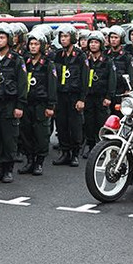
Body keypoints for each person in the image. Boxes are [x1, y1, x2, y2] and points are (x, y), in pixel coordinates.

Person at [0, 23, 27, 183]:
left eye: (2, 38)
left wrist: (20, 105)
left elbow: (22, 84)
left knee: (9, 138)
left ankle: (8, 169)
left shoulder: (17, 60)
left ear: (8, 40)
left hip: (9, 103)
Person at [19, 31, 56, 176]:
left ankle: (39, 162)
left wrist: (50, 105)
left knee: (41, 134)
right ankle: (29, 160)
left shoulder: (48, 64)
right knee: (26, 133)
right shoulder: (25, 62)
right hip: (27, 103)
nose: (33, 47)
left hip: (41, 104)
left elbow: (52, 85)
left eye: (36, 44)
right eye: (31, 44)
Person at [52, 24, 88, 166]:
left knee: (75, 125)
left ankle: (75, 154)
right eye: (61, 36)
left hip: (74, 96)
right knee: (61, 125)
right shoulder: (58, 55)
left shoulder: (80, 56)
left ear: (72, 38)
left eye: (66, 36)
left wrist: (82, 99)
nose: (63, 39)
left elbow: (84, 79)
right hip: (60, 96)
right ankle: (65, 152)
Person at [83, 31, 116, 157]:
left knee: (101, 123)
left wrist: (108, 97)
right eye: (91, 42)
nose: (93, 45)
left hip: (101, 97)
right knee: (89, 123)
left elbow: (112, 80)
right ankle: (91, 146)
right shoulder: (86, 60)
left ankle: (101, 147)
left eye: (96, 42)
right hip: (89, 97)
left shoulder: (107, 61)